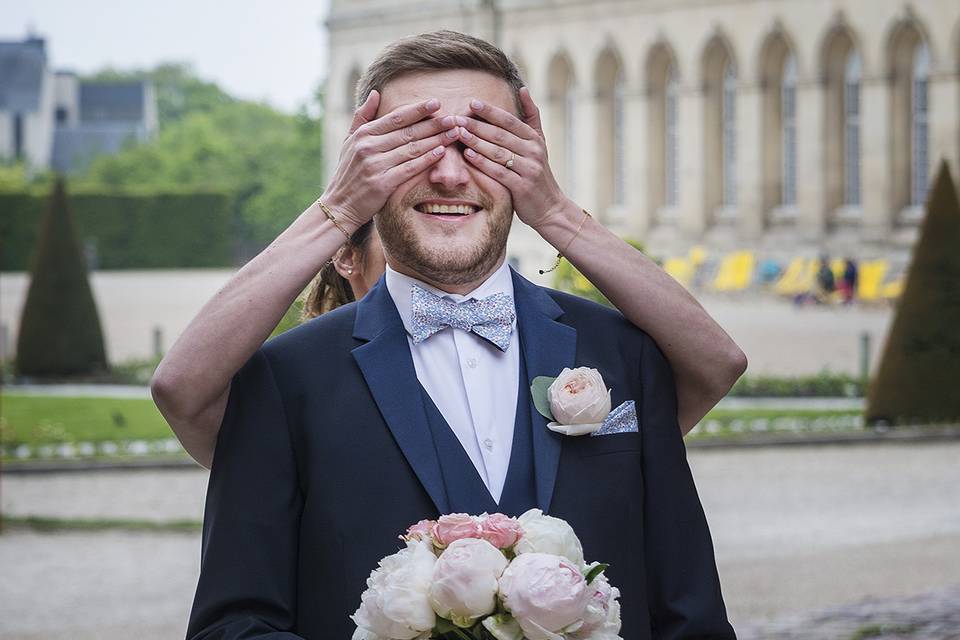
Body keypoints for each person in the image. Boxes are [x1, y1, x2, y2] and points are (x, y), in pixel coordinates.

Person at [174, 31, 742, 639]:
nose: (448, 174)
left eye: (481, 145)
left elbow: (693, 614)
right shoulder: (285, 381)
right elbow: (232, 625)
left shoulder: (624, 353)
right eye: (414, 147)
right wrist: (338, 207)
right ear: (365, 164)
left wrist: (552, 211)